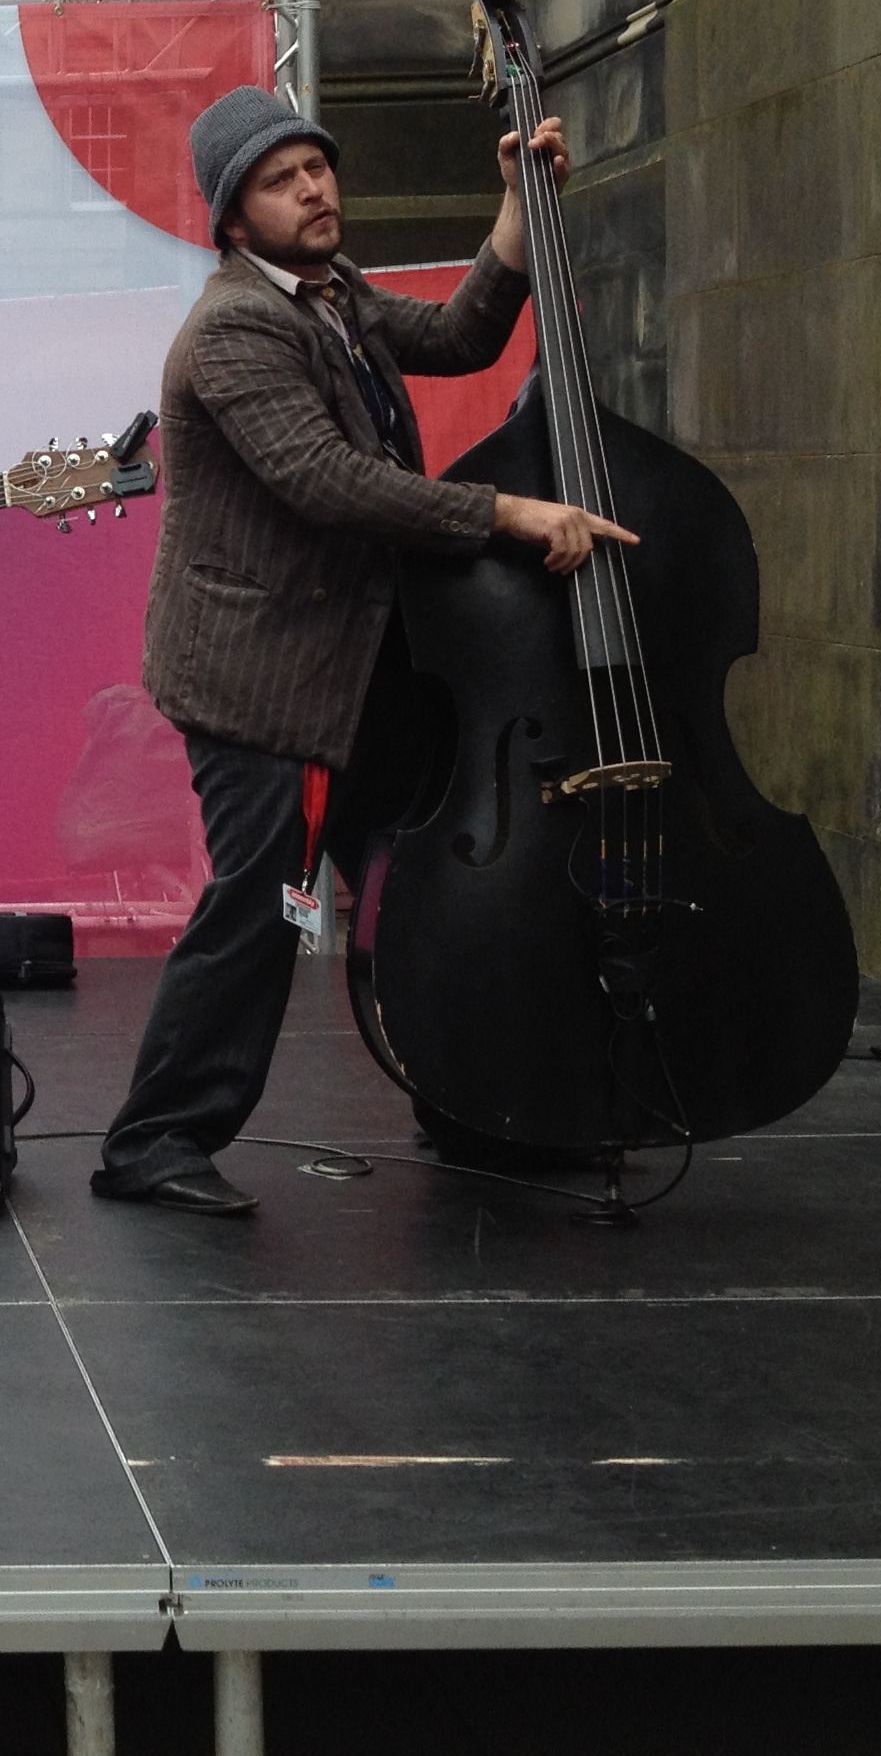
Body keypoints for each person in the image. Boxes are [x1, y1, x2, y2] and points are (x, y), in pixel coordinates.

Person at [95, 86, 626, 1217]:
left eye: (317, 166)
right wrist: (507, 512)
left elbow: (463, 335)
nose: (313, 188)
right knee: (257, 905)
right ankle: (154, 1141)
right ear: (233, 218)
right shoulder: (236, 327)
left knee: (426, 893)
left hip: (357, 667)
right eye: (281, 179)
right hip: (258, 680)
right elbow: (327, 481)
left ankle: (472, 1107)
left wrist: (514, 210)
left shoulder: (332, 293)